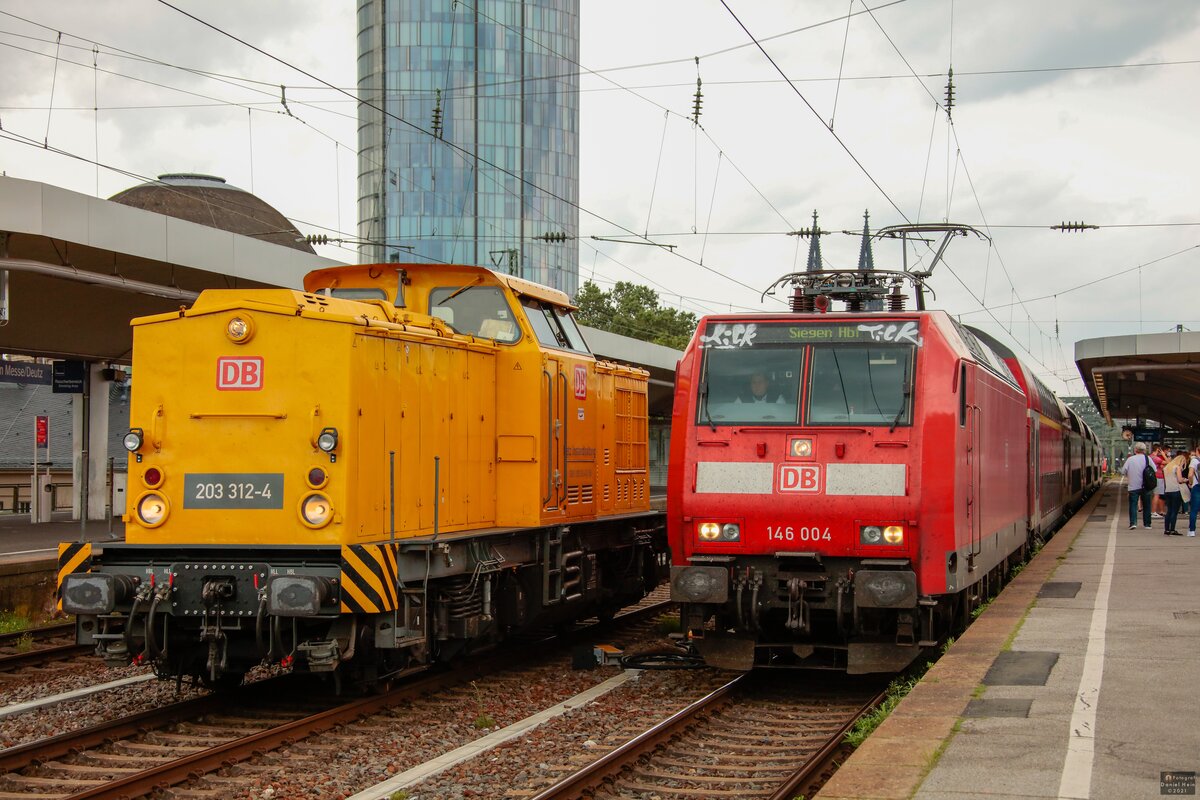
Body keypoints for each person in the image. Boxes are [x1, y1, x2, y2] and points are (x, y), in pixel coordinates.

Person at [1122, 442, 1153, 530]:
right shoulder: (1148, 459)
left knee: (1133, 505)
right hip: (1145, 486)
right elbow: (1154, 469)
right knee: (1147, 505)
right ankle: (1147, 524)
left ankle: (1133, 523)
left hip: (1133, 486)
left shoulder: (1130, 459)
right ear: (1144, 450)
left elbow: (1123, 471)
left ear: (1135, 450)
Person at [1162, 450, 1188, 535]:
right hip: (1176, 491)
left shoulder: (1166, 468)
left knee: (1169, 511)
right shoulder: (1177, 467)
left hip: (1168, 491)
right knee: (1174, 511)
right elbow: (1180, 480)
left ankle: (1166, 529)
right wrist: (1185, 480)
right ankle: (1172, 529)